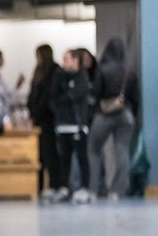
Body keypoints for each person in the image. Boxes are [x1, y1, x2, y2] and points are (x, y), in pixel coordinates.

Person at [89, 37, 138, 200]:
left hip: (104, 115)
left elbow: (96, 93)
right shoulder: (129, 71)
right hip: (125, 115)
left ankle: (94, 188)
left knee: (94, 150)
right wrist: (133, 116)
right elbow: (135, 99)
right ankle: (118, 191)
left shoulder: (103, 69)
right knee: (122, 152)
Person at [51, 48, 92, 203]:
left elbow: (73, 96)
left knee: (82, 158)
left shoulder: (82, 76)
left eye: (67, 59)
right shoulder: (59, 76)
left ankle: (84, 188)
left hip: (78, 126)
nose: (64, 63)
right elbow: (54, 97)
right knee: (64, 159)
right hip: (62, 125)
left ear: (75, 60)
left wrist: (63, 98)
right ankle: (63, 187)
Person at [26, 44, 61, 200]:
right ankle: (38, 186)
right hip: (38, 118)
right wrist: (31, 110)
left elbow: (48, 95)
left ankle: (54, 184)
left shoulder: (54, 70)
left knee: (51, 153)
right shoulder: (38, 70)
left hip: (48, 118)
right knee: (38, 154)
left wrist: (38, 110)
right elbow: (33, 92)